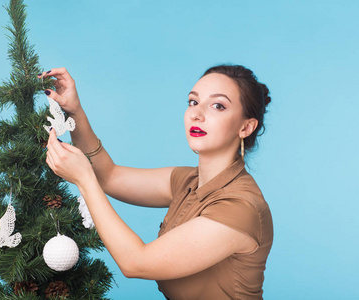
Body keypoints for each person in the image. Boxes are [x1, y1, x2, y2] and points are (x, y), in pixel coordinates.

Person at [40, 64, 274, 300]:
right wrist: (74, 112)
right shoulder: (188, 180)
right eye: (193, 102)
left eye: (218, 106)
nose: (196, 114)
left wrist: (84, 180)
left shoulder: (241, 207)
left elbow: (136, 263)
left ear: (246, 127)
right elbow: (109, 176)